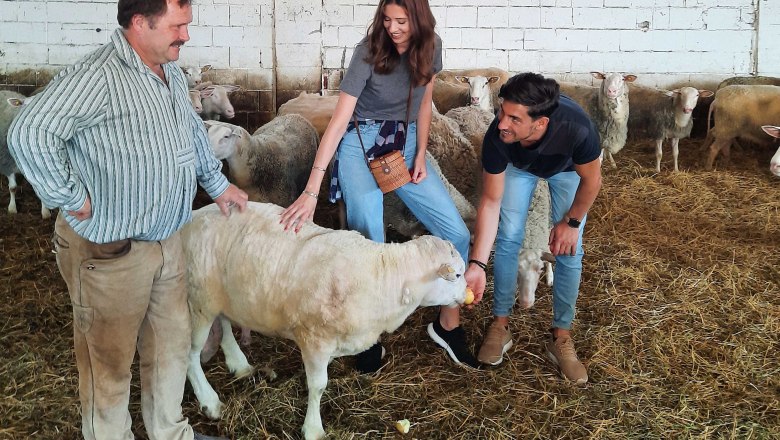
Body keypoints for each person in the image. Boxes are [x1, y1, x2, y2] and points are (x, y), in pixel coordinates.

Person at [7, 1, 247, 439]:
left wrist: (217, 184)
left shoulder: (169, 71)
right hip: (110, 250)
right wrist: (69, 195)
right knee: (109, 363)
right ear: (141, 22)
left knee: (171, 347)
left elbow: (192, 132)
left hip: (167, 240)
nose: (186, 36)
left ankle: (169, 432)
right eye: (178, 26)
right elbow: (28, 132)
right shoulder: (97, 77)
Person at [280, 0, 479, 372]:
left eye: (401, 21)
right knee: (369, 244)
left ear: (419, 19)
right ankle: (367, 337)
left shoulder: (431, 46)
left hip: (403, 145)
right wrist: (312, 189)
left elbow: (424, 101)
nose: (393, 28)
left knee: (456, 232)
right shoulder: (368, 52)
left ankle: (447, 326)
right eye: (387, 20)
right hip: (361, 143)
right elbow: (339, 122)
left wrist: (421, 151)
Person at [465, 72, 602, 384]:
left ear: (540, 123)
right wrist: (476, 264)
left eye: (514, 117)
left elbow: (592, 181)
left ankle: (561, 336)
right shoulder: (498, 137)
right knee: (509, 235)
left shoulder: (578, 129)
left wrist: (572, 223)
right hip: (518, 166)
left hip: (566, 168)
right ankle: (500, 324)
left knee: (570, 248)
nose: (501, 122)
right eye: (502, 111)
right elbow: (490, 202)